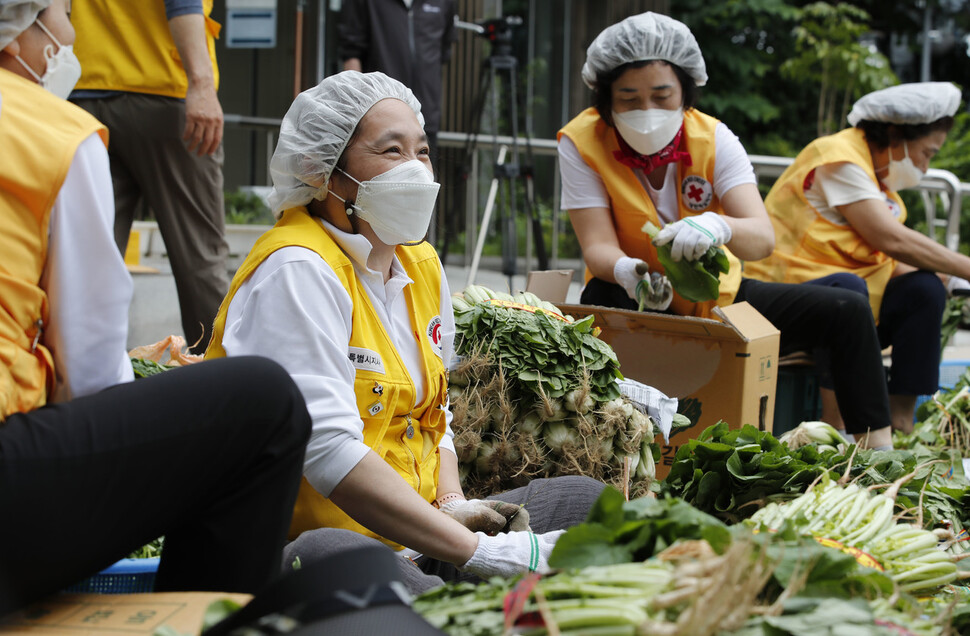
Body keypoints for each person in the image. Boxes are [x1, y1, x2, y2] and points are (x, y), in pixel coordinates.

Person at [205, 70, 605, 595]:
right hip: (305, 546)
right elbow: (326, 451)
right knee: (334, 552)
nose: (415, 169)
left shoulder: (419, 264)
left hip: (415, 539)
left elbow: (432, 414)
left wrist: (452, 505)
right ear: (321, 171)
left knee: (589, 501)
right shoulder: (297, 271)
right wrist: (481, 553)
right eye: (391, 151)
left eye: (422, 151)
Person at [0, 0, 311, 614]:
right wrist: (201, 81)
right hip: (161, 89)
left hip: (116, 94)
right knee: (261, 400)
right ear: (21, 34)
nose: (71, 31)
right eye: (63, 12)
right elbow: (89, 369)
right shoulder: (48, 132)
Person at [558, 12, 896, 449]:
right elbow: (597, 246)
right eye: (628, 98)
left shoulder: (715, 139)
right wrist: (629, 270)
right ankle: (611, 440)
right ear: (606, 100)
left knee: (847, 307)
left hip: (721, 303)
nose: (647, 111)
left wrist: (719, 224)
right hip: (635, 300)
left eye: (662, 95)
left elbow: (761, 238)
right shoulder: (581, 141)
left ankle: (877, 452)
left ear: (685, 92)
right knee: (597, 301)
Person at [744, 82, 965, 433]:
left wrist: (948, 278)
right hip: (786, 304)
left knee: (923, 290)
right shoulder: (839, 159)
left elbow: (881, 259)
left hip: (847, 301)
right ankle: (839, 426)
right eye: (928, 153)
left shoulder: (876, 180)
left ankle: (901, 423)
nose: (925, 165)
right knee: (848, 291)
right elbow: (889, 238)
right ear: (896, 135)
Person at [68, 0, 228, 354]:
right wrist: (201, 83)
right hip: (163, 89)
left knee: (90, 259)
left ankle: (83, 380)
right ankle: (226, 380)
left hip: (85, 88)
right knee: (199, 257)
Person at [339, 0, 457, 167]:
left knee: (425, 181)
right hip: (379, 114)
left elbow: (444, 51)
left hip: (426, 113)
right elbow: (352, 53)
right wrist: (355, 111)